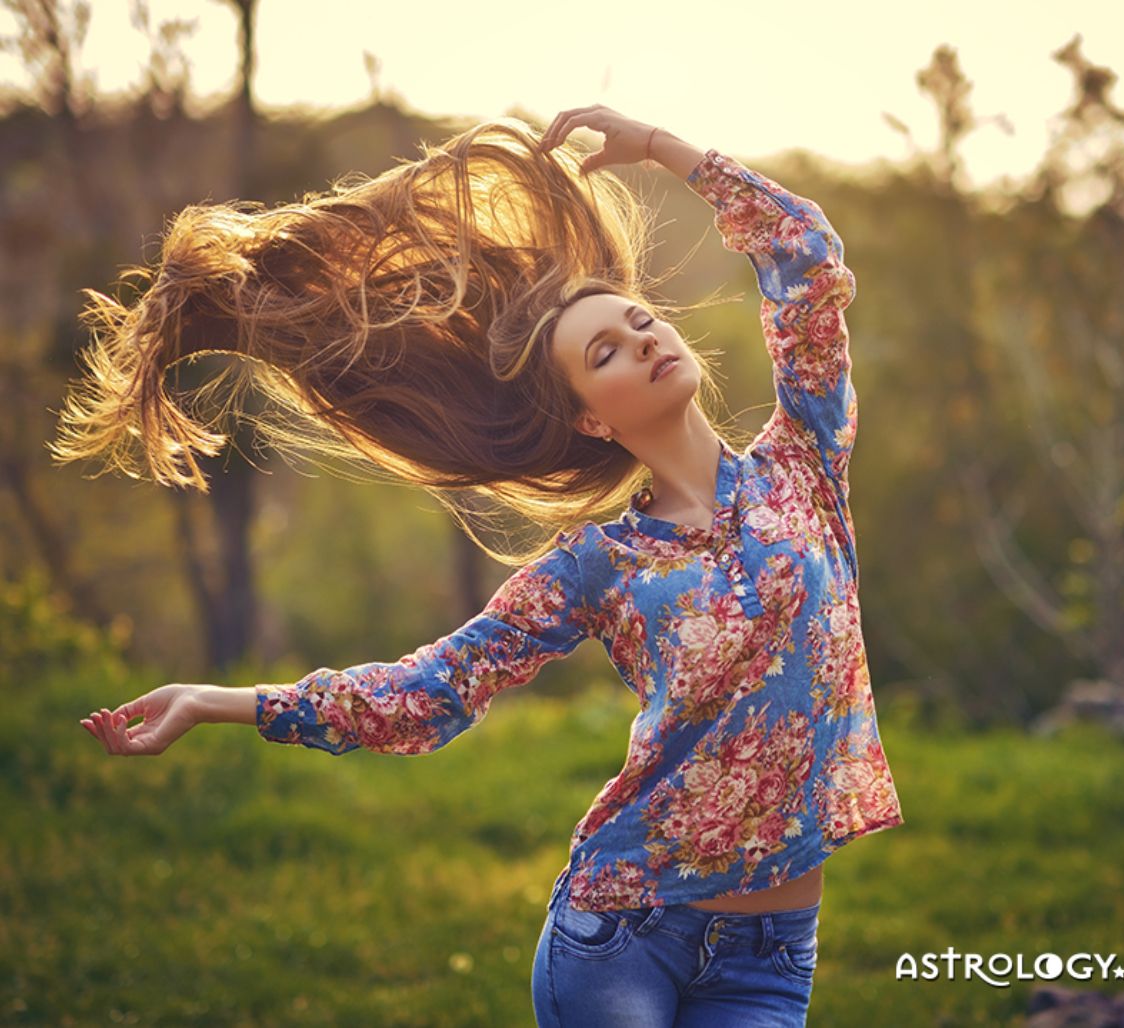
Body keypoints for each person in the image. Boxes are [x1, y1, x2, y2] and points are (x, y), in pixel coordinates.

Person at [63, 105, 904, 1027]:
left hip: (773, 958)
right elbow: (430, 692)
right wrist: (222, 701)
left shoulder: (803, 464)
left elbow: (807, 261)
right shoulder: (598, 565)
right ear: (591, 416)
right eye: (606, 352)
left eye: (640, 320)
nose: (645, 339)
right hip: (623, 936)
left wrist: (668, 152)